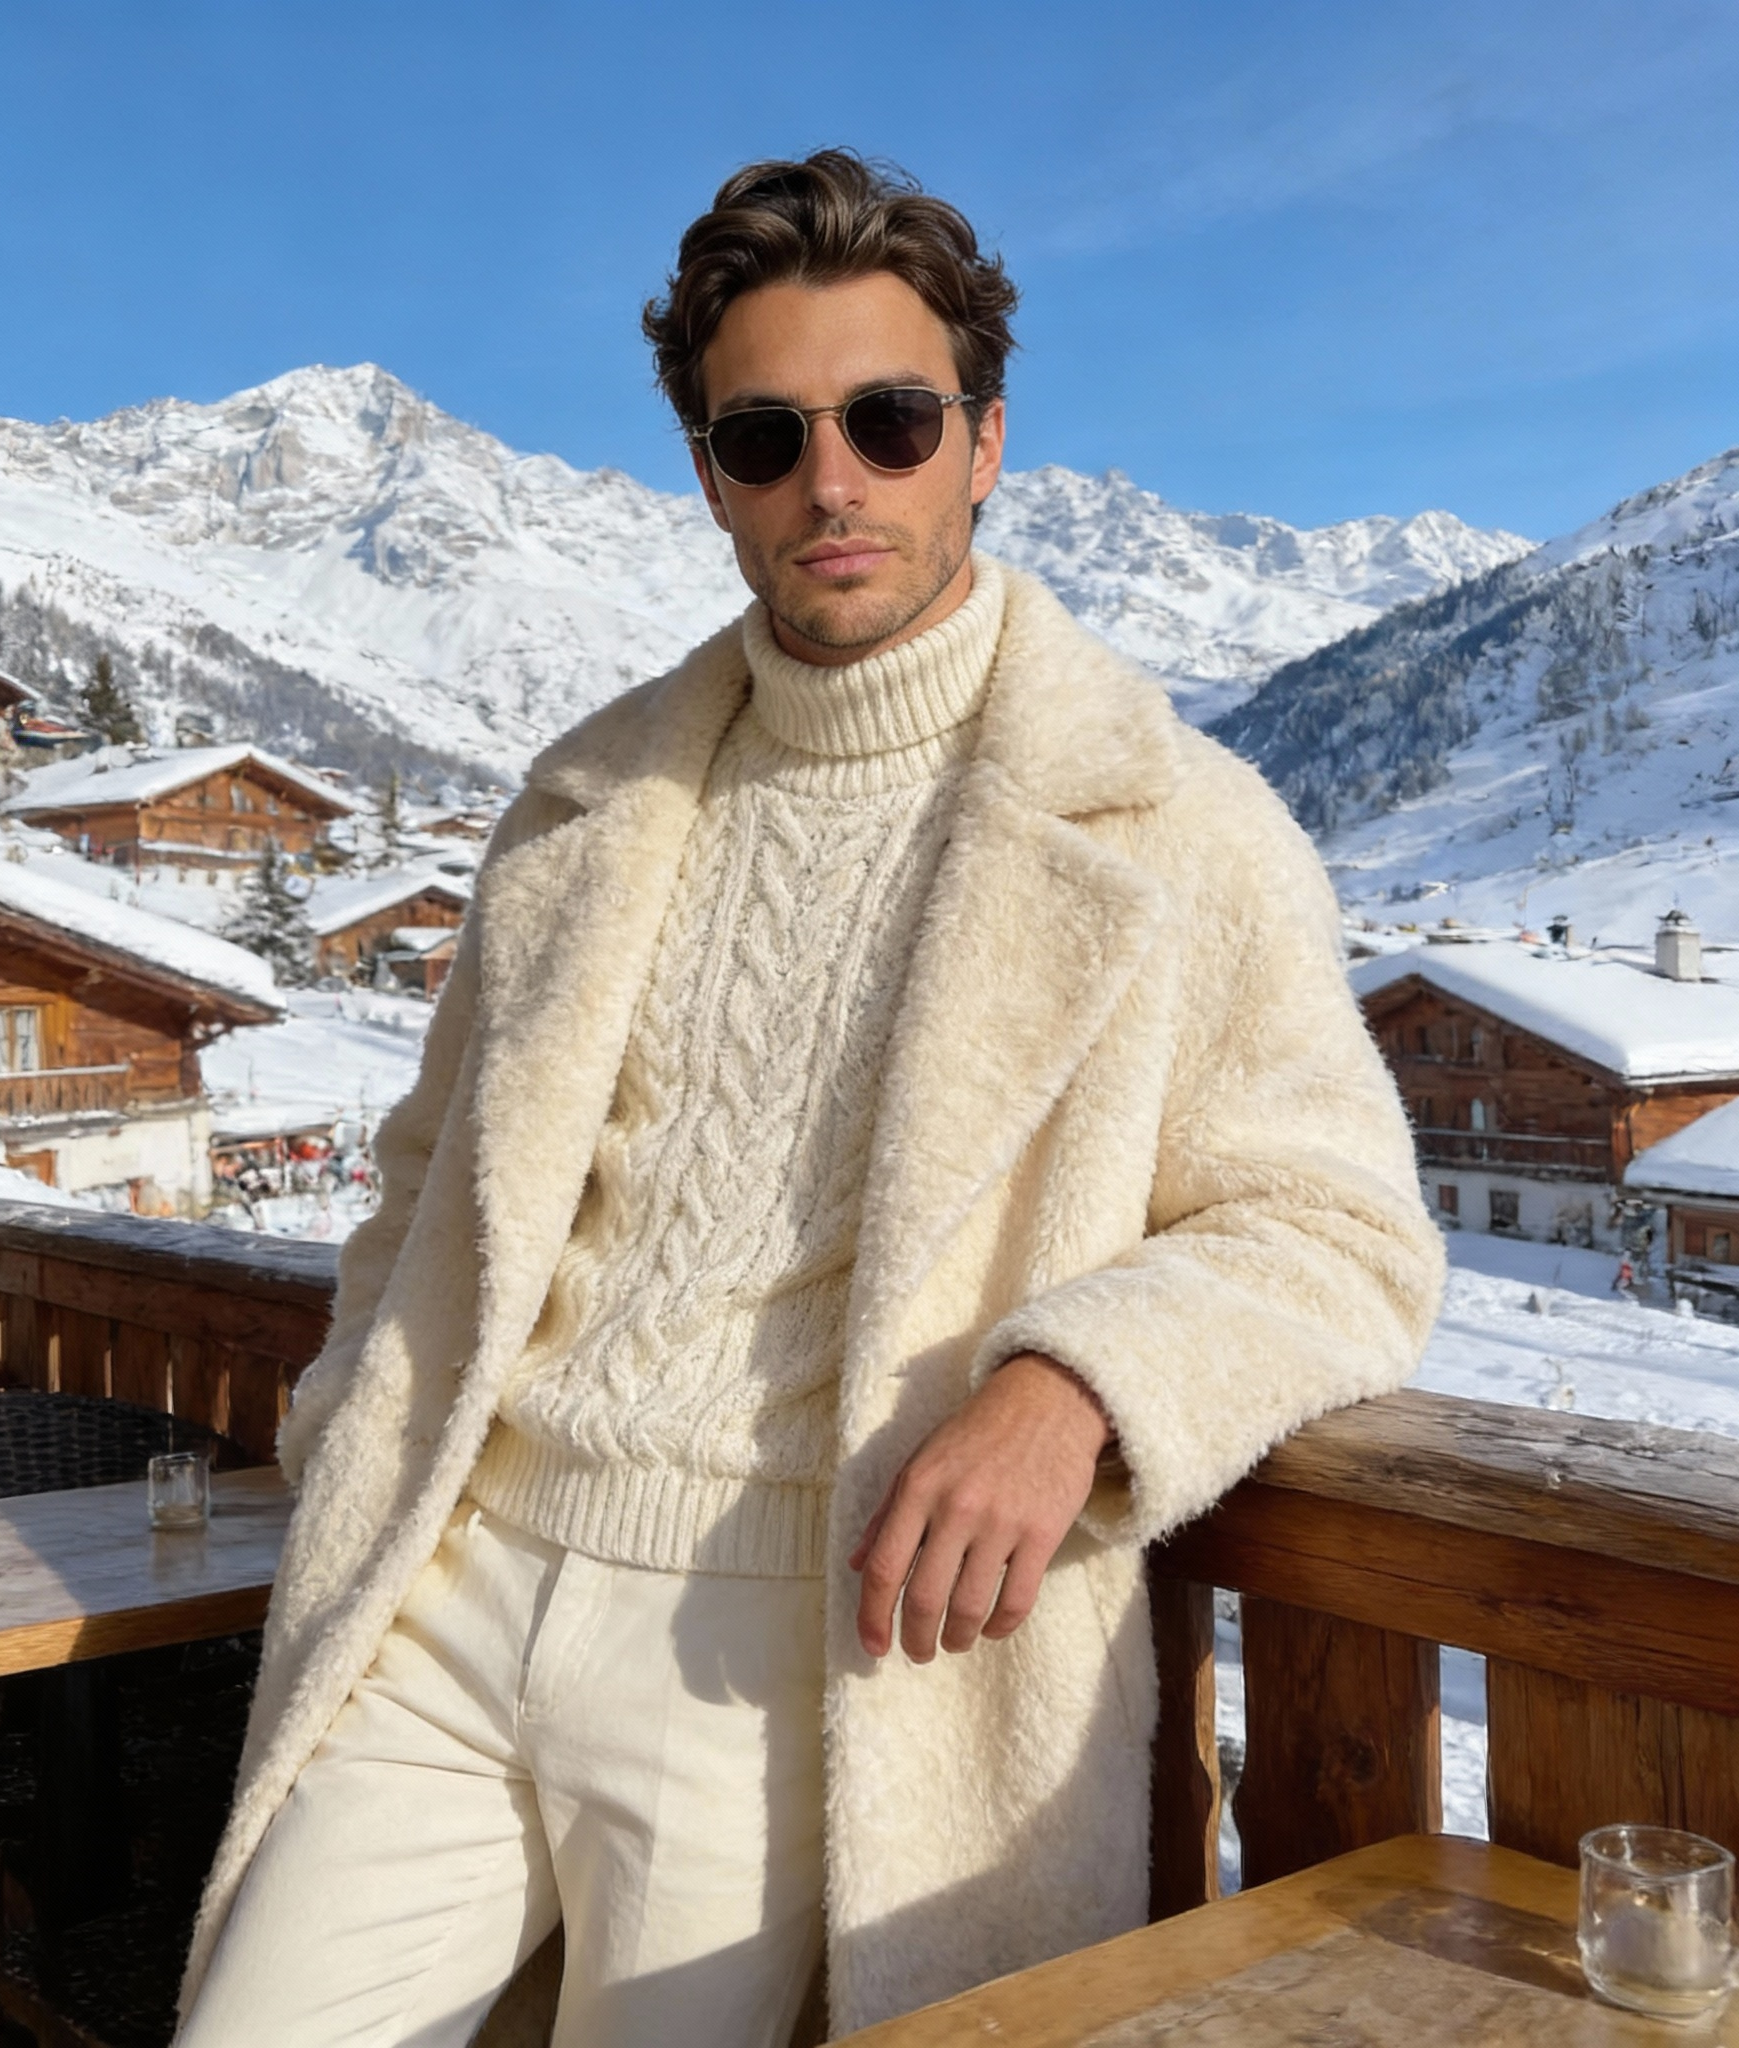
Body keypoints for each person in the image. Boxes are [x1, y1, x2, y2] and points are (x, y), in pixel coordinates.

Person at [176, 149, 1443, 2048]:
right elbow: (431, 1172)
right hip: (451, 1587)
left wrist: (1079, 1385)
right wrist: (355, 1404)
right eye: (764, 436)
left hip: (798, 1650)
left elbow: (1342, 1233)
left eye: (891, 420)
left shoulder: (1177, 825)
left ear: (985, 441)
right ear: (711, 476)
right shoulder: (586, 805)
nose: (831, 481)